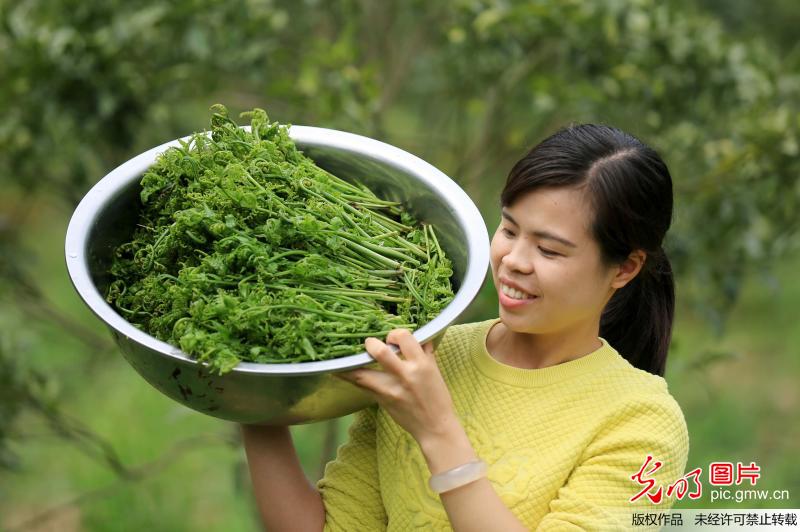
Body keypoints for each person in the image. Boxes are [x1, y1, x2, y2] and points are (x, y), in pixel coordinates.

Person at [241, 124, 690, 531]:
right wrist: (252, 396)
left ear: (625, 268)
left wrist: (437, 429)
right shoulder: (426, 354)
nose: (514, 261)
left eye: (549, 250)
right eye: (510, 230)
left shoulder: (641, 420)